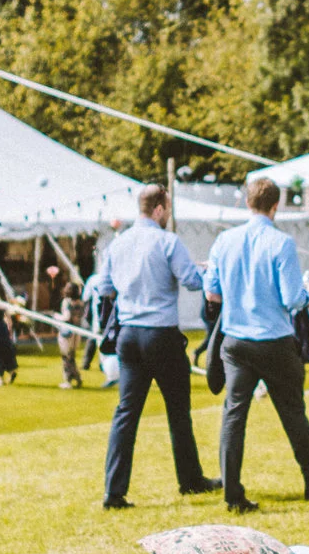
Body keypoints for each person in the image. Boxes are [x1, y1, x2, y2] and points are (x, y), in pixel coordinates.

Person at [204, 176, 309, 514]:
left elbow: (212, 292)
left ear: (247, 203)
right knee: (292, 412)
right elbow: (292, 298)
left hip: (235, 341)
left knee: (234, 415)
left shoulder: (224, 240)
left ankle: (232, 491)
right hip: (273, 340)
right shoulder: (281, 243)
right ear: (276, 206)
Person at [87, 184, 215, 508]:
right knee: (177, 411)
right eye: (167, 208)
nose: (168, 214)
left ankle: (113, 492)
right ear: (158, 208)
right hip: (161, 334)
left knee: (126, 413)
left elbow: (103, 286)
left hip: (129, 335)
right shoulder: (168, 241)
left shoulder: (118, 244)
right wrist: (206, 271)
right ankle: (190, 479)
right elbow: (190, 282)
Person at [50, 266, 85, 390]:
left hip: (67, 333)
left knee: (66, 357)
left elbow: (66, 316)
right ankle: (76, 377)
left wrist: (55, 316)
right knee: (72, 356)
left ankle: (68, 380)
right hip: (77, 333)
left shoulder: (67, 302)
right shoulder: (81, 303)